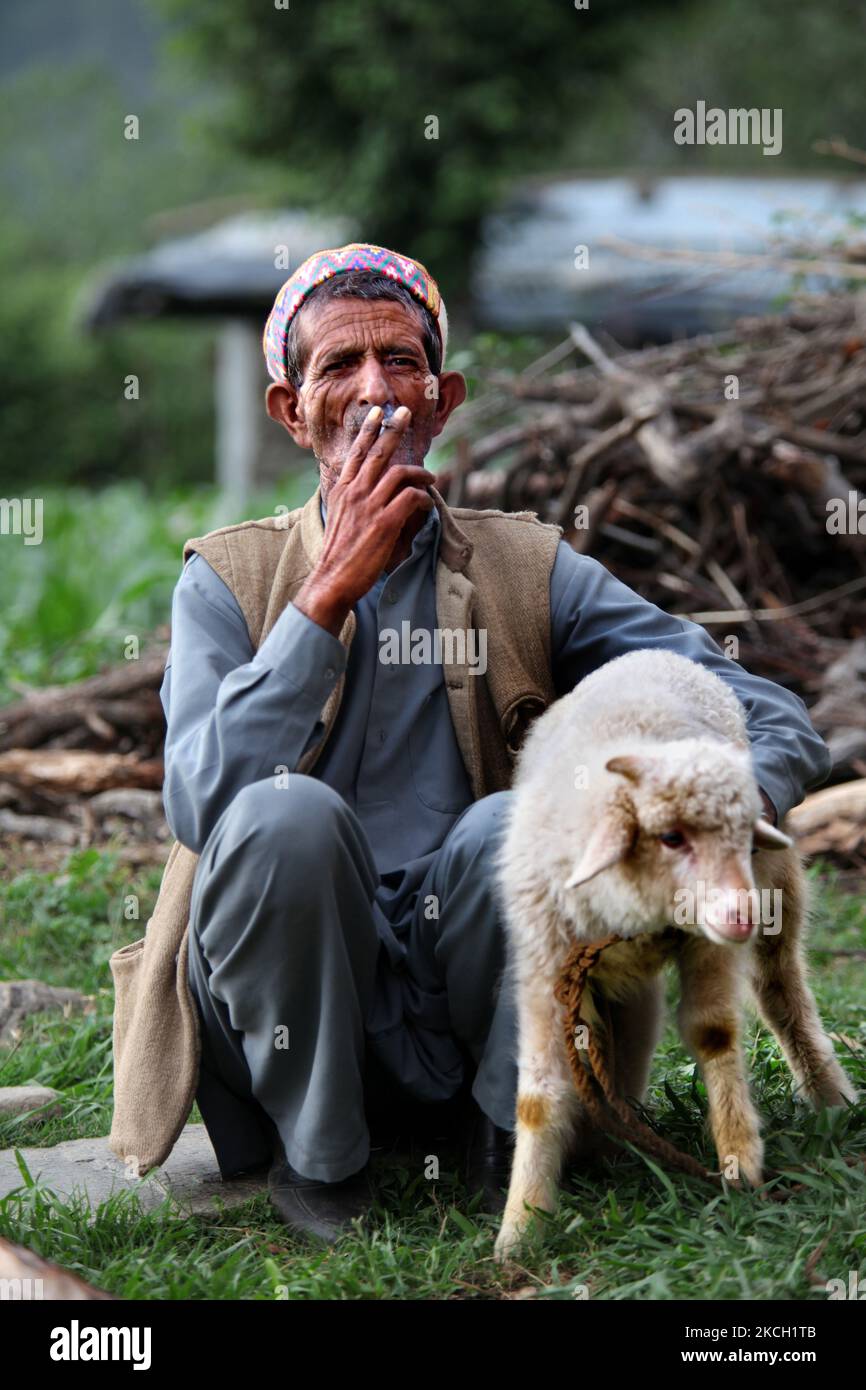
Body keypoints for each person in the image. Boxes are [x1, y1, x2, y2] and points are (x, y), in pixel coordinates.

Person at [159, 243, 831, 1242]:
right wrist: (324, 596)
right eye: (336, 368)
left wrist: (726, 809)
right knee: (282, 818)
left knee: (509, 826)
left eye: (400, 363)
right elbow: (200, 808)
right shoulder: (227, 580)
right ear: (290, 412)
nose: (375, 391)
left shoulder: (526, 568)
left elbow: (758, 707)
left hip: (477, 991)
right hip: (289, 1010)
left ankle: (500, 1138)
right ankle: (321, 1162)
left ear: (443, 400)